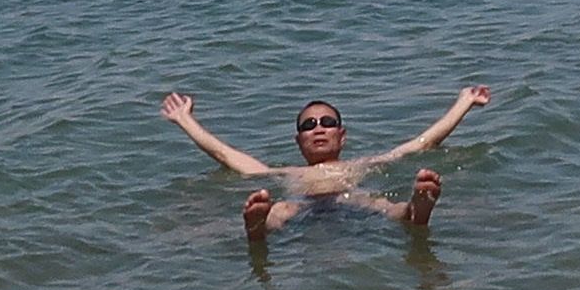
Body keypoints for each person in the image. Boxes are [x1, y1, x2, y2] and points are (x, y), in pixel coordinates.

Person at [163, 82, 487, 243]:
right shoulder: (288, 172)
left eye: (326, 122)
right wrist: (185, 120)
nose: (318, 128)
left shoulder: (361, 165)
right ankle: (257, 226)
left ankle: (418, 209)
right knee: (276, 208)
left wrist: (464, 103)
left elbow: (422, 143)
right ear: (298, 140)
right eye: (308, 125)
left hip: (351, 200)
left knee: (387, 206)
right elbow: (225, 154)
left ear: (341, 135)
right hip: (302, 205)